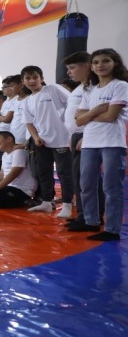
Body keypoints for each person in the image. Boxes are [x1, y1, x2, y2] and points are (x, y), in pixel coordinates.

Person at [72, 49, 128, 241]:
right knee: (86, 184)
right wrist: (95, 111)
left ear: (115, 63)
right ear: (91, 67)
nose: (100, 65)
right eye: (96, 62)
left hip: (112, 142)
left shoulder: (120, 85)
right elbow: (78, 121)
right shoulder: (90, 90)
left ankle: (112, 229)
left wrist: (87, 116)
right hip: (90, 142)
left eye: (105, 61)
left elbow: (111, 116)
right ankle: (91, 221)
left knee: (111, 187)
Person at [20, 65, 73, 215]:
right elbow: (28, 122)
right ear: (23, 81)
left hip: (62, 140)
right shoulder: (27, 101)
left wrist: (73, 131)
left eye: (35, 77)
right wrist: (36, 137)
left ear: (42, 78)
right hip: (42, 141)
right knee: (43, 172)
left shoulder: (52, 89)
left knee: (64, 173)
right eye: (28, 78)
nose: (32, 81)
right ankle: (47, 202)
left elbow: (73, 103)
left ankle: (68, 204)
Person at [63, 51, 104, 225]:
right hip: (76, 136)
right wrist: (70, 136)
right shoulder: (80, 88)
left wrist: (86, 137)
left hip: (86, 136)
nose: (69, 72)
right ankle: (84, 214)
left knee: (87, 180)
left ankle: (89, 217)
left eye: (72, 68)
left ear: (86, 66)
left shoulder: (95, 88)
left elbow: (96, 116)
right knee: (80, 178)